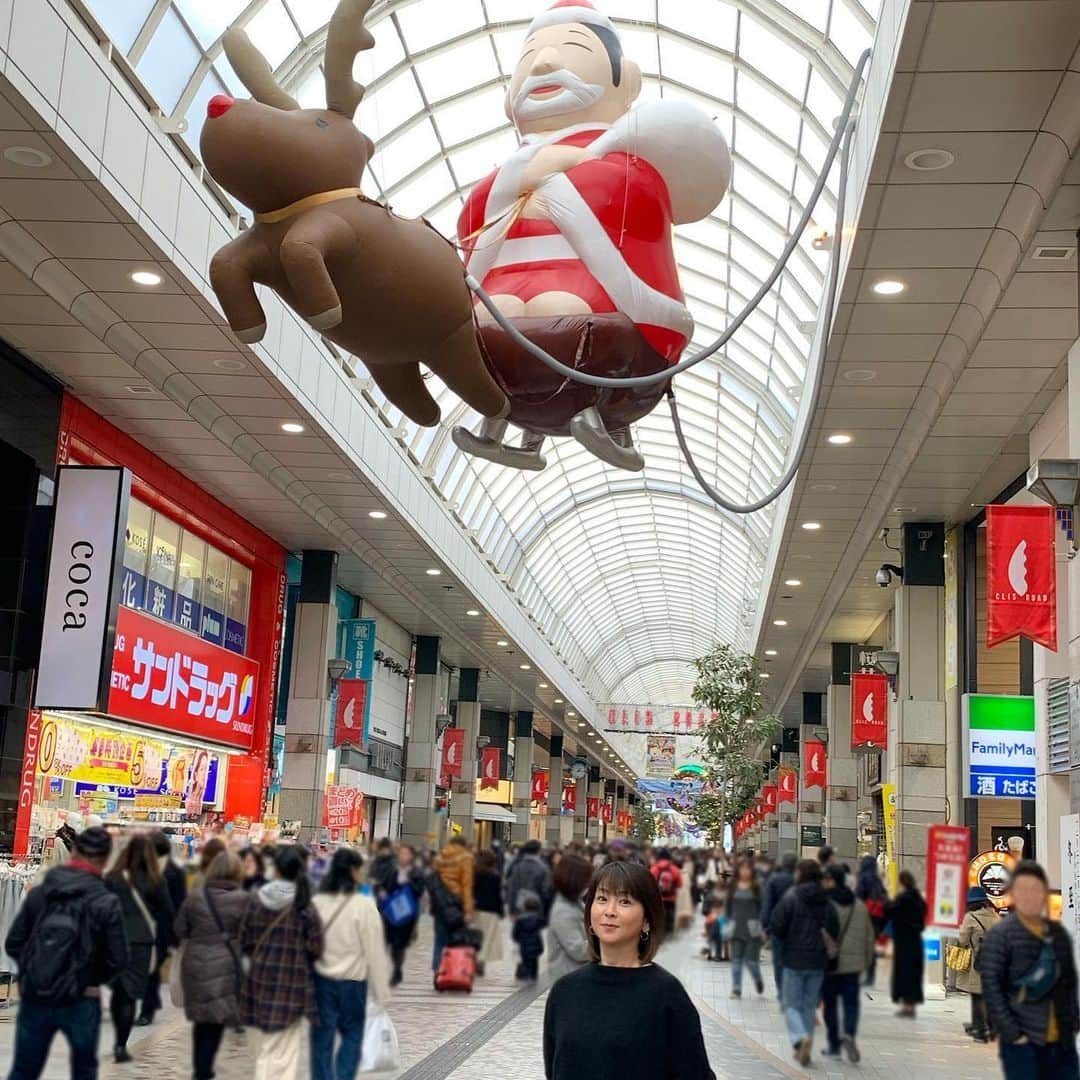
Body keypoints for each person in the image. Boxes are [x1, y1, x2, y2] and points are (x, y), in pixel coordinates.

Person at [543, 860, 715, 1079]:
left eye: (624, 901)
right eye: (602, 899)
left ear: (646, 920)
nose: (609, 911)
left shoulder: (666, 994)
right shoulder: (564, 991)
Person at [6, 826, 128, 1080]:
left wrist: (37, 971)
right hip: (82, 999)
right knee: (84, 1071)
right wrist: (88, 978)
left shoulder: (41, 893)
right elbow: (118, 959)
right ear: (106, 859)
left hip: (36, 996)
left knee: (24, 1069)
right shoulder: (107, 901)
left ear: (73, 852)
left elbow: (14, 943)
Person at [981, 860, 1079, 1079]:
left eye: (1035, 889)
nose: (1029, 896)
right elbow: (991, 988)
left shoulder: (1057, 933)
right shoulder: (1001, 935)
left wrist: (1073, 1020)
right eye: (1022, 889)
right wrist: (1013, 1034)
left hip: (1061, 1042)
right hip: (1024, 1042)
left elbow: (1069, 981)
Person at [242, 845, 324, 1080]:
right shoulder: (304, 906)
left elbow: (244, 940)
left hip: (259, 982)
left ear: (275, 870)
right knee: (284, 1052)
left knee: (265, 1048)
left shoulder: (256, 901)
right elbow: (315, 948)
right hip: (292, 984)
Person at [310, 848, 389, 1080]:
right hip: (353, 983)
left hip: (321, 981)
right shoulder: (364, 906)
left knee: (321, 1040)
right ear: (354, 871)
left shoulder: (317, 902)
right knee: (352, 1036)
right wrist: (381, 990)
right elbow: (375, 951)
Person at [175, 850, 250, 1080]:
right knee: (216, 1018)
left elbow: (179, 929)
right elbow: (250, 935)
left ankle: (201, 1068)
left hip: (195, 962)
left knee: (201, 1018)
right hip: (226, 964)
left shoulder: (196, 897)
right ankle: (204, 1070)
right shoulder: (244, 899)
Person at [104, 833, 176, 1062]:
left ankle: (117, 1038)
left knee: (118, 991)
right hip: (142, 943)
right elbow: (168, 911)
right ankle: (120, 1045)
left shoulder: (113, 877)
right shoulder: (156, 880)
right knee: (130, 996)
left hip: (113, 940)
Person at [769, 859, 840, 1066]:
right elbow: (834, 928)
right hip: (818, 961)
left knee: (791, 1004)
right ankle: (805, 1048)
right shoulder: (826, 899)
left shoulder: (791, 897)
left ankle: (800, 1038)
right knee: (809, 1005)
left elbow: (777, 924)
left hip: (793, 958)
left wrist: (784, 939)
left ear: (800, 874)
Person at [820, 865, 875, 1063]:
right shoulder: (859, 905)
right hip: (853, 965)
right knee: (851, 1003)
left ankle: (834, 1044)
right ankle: (849, 1033)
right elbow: (869, 936)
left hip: (831, 964)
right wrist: (867, 961)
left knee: (831, 1005)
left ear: (832, 880)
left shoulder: (826, 904)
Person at [373, 842, 425, 986]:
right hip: (390, 912)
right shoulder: (392, 870)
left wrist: (408, 882)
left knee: (399, 944)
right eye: (401, 853)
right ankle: (385, 970)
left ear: (412, 856)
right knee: (387, 941)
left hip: (408, 914)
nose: (403, 856)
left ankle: (397, 969)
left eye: (406, 853)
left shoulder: (416, 872)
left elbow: (419, 891)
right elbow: (382, 886)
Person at [956, 885, 999, 1043]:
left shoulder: (971, 918)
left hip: (979, 963)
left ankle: (980, 1031)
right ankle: (992, 1029)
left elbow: (962, 941)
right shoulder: (996, 917)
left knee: (977, 997)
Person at [886, 869, 927, 1018]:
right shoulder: (919, 899)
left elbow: (889, 912)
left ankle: (906, 1006)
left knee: (904, 973)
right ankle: (912, 1006)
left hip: (903, 941)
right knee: (914, 974)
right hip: (916, 940)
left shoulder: (902, 899)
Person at [430, 836, 475, 972]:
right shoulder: (465, 858)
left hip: (440, 902)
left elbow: (434, 881)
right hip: (456, 903)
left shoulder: (440, 857)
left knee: (439, 939)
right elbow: (466, 884)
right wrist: (468, 909)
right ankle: (453, 971)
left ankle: (437, 969)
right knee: (456, 938)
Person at [547, 854, 593, 982]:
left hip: (577, 974)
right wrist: (605, 945)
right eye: (586, 880)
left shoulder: (574, 901)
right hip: (569, 977)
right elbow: (577, 950)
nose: (588, 884)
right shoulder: (563, 911)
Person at [726, 857, 765, 998]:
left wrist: (763, 927)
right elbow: (728, 907)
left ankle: (757, 979)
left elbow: (763, 909)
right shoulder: (733, 886)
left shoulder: (757, 887)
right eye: (742, 868)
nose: (744, 871)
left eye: (747, 868)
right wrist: (727, 923)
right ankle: (736, 988)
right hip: (736, 926)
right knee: (736, 960)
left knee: (751, 961)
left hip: (752, 928)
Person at [761, 852, 796, 997]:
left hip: (777, 925)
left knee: (778, 960)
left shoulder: (774, 880)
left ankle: (782, 990)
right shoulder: (798, 879)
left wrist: (765, 926)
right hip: (796, 926)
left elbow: (767, 904)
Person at [855, 854, 887, 987]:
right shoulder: (877, 880)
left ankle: (859, 972)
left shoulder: (862, 878)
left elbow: (858, 897)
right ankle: (871, 975)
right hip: (876, 918)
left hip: (864, 916)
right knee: (871, 946)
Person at [473, 849, 505, 977]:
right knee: (487, 937)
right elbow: (498, 896)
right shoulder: (495, 876)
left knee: (475, 936)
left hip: (475, 909)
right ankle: (480, 961)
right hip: (490, 911)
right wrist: (501, 911)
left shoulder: (474, 874)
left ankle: (474, 958)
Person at [506, 838, 553, 917]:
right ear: (538, 851)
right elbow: (546, 891)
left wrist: (511, 909)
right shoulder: (543, 868)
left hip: (520, 906)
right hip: (537, 907)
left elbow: (513, 888)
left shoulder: (518, 866)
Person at [512, 894, 546, 983]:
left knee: (526, 962)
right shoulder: (538, 918)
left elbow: (515, 933)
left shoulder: (520, 919)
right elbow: (544, 923)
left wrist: (517, 939)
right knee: (534, 962)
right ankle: (534, 976)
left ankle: (527, 977)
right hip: (536, 944)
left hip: (524, 945)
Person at [650, 848, 683, 936]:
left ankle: (659, 932)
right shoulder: (675, 869)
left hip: (658, 898)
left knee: (659, 915)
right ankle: (669, 932)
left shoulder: (654, 869)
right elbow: (680, 884)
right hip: (671, 897)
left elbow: (650, 883)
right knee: (670, 915)